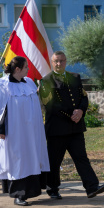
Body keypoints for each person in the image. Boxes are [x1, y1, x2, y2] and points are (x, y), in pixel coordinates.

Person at [39, 51, 104, 200]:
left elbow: (83, 97)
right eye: (56, 61)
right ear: (52, 62)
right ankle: (53, 189)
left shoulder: (75, 77)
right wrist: (72, 114)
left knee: (81, 158)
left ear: (66, 61)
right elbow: (50, 105)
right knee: (54, 161)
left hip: (75, 128)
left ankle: (91, 187)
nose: (59, 64)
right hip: (57, 129)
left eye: (62, 61)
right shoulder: (46, 81)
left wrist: (81, 111)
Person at [0, 56, 50, 206]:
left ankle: (31, 191)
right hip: (16, 131)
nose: (28, 69)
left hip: (33, 131)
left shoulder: (28, 82)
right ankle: (18, 195)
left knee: (33, 157)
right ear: (17, 69)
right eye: (26, 67)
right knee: (19, 160)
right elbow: (1, 109)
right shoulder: (3, 85)